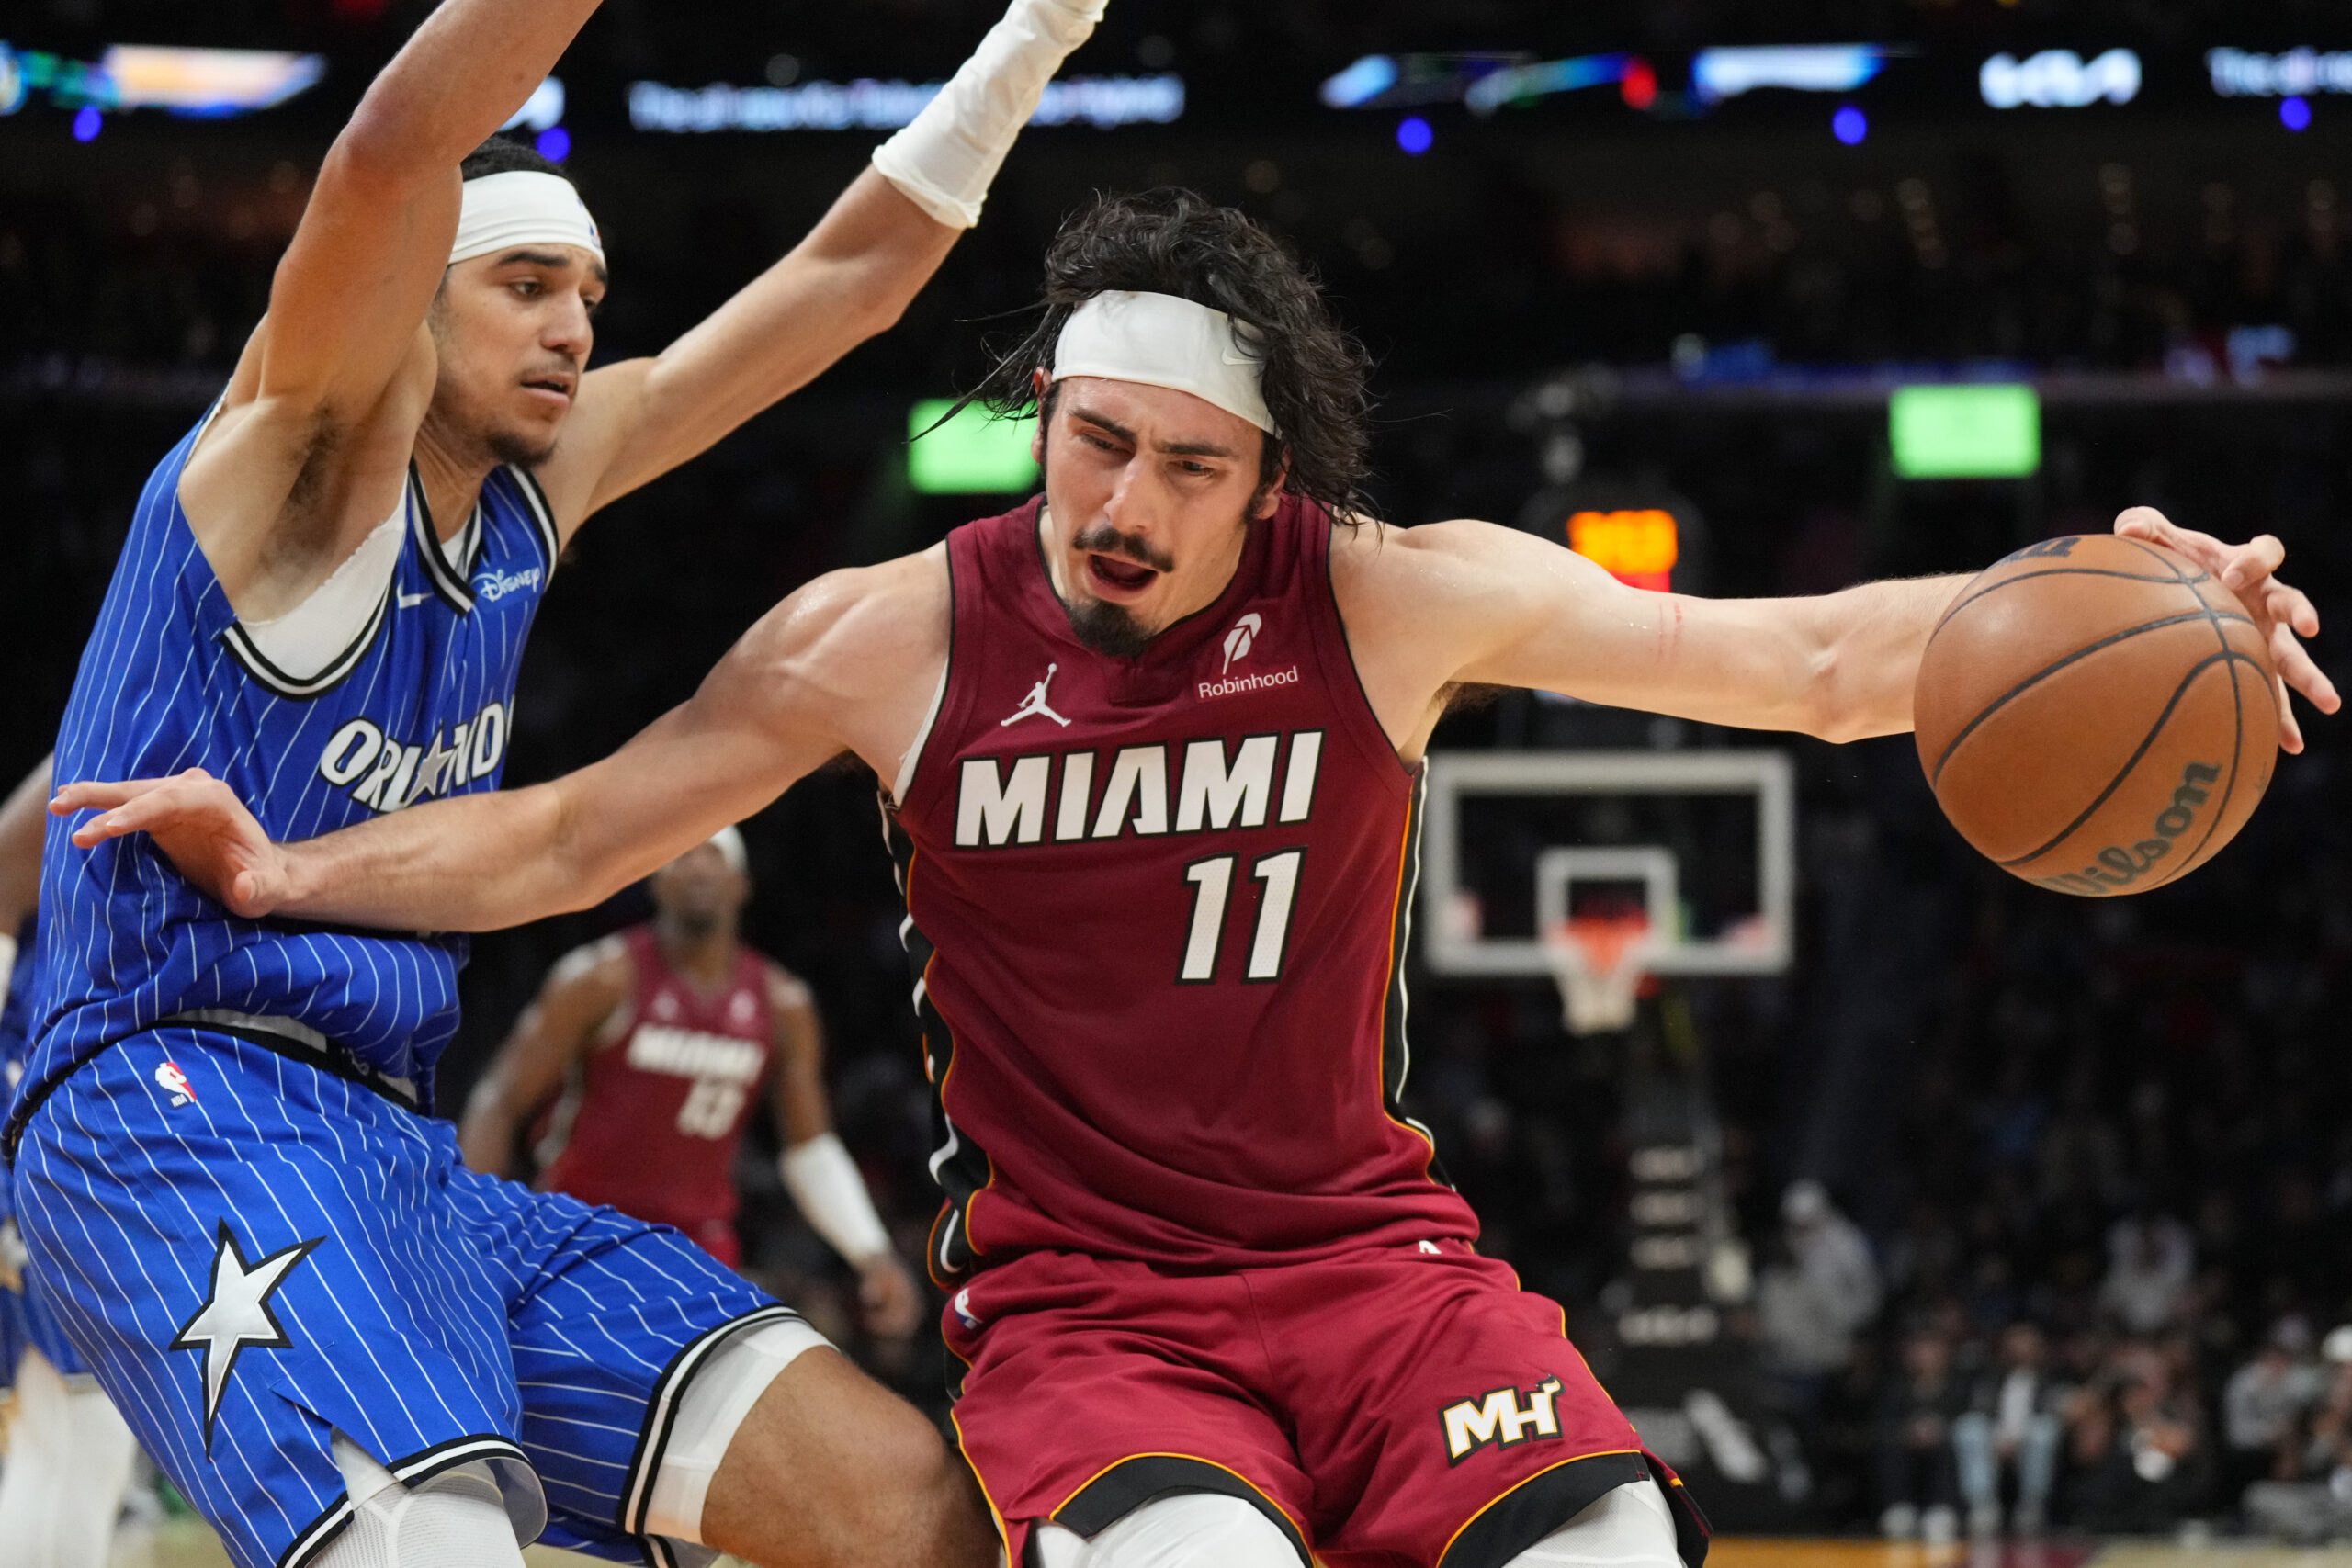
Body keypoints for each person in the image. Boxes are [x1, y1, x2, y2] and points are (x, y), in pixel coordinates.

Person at [52, 188, 2337, 1568]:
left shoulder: (1386, 599)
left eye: (1182, 465)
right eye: (1089, 439)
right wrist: (289, 859)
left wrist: (2081, 582)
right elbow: (564, 833)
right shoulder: (890, 631)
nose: (1114, 500)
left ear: (1273, 484)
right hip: (1090, 1311)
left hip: (1373, 1265)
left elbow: (1826, 660)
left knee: (1624, 1538)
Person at [7, 0, 1110, 1561]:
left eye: (588, 292)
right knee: (430, 1539)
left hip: (399, 1145)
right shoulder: (296, 450)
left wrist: (1031, 38)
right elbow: (393, 147)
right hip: (168, 1094)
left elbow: (844, 284)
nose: (574, 327)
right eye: (525, 284)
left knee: (910, 1503)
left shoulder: (543, 485)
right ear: (409, 301)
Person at [458, 829, 922, 1335]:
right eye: (682, 853)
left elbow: (809, 1149)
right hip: (581, 1231)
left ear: (742, 884)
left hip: (699, 1248)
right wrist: (474, 1223)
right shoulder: (599, 979)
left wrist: (871, 1252)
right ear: (655, 878)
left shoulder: (782, 1005)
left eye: (714, 854)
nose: (699, 866)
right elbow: (499, 1098)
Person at [0, 755, 144, 1568]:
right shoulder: (120, 729)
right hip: (51, 1118)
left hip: (90, 1120)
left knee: (69, 1431)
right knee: (74, 1428)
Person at [1952, 1322, 2066, 1537]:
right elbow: (1981, 1410)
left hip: (2028, 1438)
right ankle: (1982, 1505)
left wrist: (2017, 1438)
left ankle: (2031, 1505)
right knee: (1969, 1427)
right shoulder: (1991, 1377)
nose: (2021, 1350)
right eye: (2016, 1344)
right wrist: (1999, 1437)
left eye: (2028, 1344)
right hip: (1996, 1437)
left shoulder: (2051, 1377)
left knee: (2044, 1431)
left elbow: (2051, 1411)